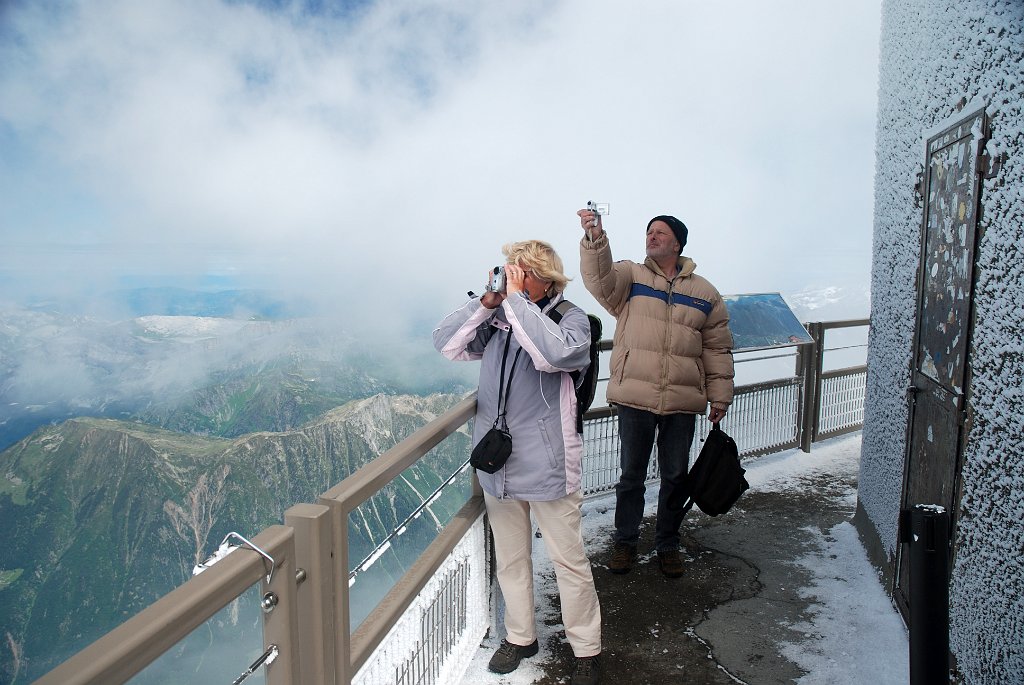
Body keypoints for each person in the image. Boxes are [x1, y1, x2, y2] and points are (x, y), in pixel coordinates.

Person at [433, 240, 602, 685]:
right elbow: (447, 345)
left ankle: (586, 648)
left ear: (543, 277)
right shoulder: (501, 317)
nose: (511, 277)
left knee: (568, 560)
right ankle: (520, 636)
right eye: (510, 270)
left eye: (519, 271)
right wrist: (487, 303)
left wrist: (514, 303)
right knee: (510, 558)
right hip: (499, 464)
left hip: (548, 462)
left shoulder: (572, 320)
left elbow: (555, 356)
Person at [576, 207, 734, 578]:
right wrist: (595, 238)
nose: (653, 236)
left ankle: (667, 543)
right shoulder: (630, 276)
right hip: (636, 395)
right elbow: (598, 279)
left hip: (681, 399)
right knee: (631, 476)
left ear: (678, 243)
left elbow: (717, 348)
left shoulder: (705, 293)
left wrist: (720, 395)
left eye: (661, 233)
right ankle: (625, 543)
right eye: (650, 232)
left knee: (675, 476)